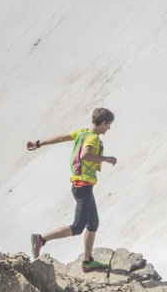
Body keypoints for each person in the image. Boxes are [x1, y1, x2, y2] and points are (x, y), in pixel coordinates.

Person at [25, 108, 117, 273]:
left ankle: (87, 261)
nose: (109, 129)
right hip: (83, 187)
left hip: (81, 186)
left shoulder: (82, 132)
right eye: (108, 125)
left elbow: (60, 138)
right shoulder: (93, 139)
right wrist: (106, 159)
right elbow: (85, 155)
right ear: (103, 123)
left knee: (93, 224)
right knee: (77, 227)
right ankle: (41, 238)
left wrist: (38, 143)